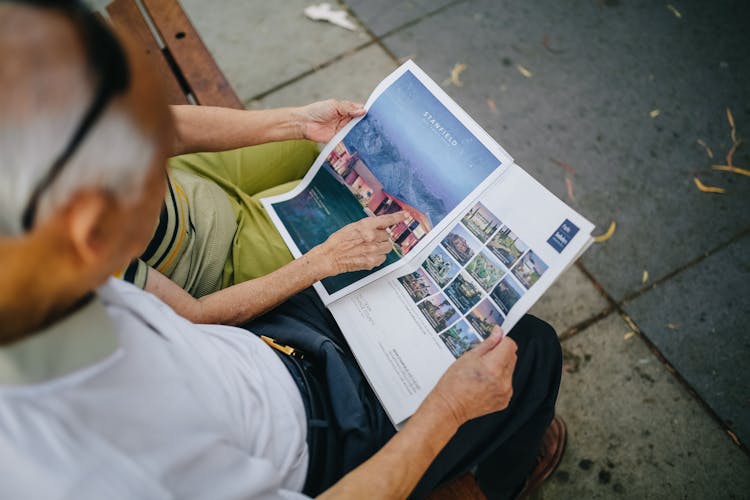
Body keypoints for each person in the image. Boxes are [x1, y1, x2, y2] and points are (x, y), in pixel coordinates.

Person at [0, 2, 565, 499]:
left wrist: (294, 121)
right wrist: (449, 410)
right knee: (533, 349)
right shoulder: (86, 468)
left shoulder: (39, 264)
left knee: (360, 175)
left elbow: (163, 132)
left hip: (265, 347)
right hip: (323, 437)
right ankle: (502, 481)